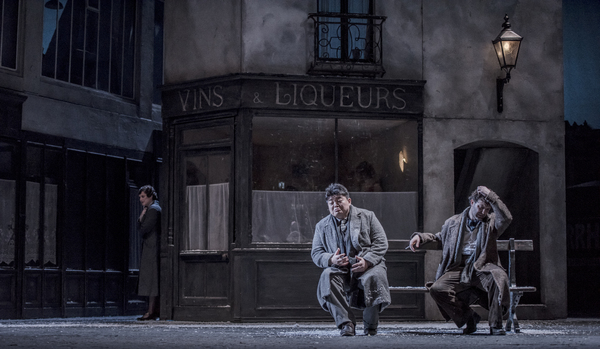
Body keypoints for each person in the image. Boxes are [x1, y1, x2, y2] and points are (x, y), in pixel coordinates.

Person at [409, 186, 512, 335]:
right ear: (472, 203)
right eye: (480, 207)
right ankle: (468, 318)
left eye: (486, 209)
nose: (483, 212)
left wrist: (492, 196)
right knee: (437, 289)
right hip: (458, 266)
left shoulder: (491, 222)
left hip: (482, 265)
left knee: (498, 277)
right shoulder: (453, 222)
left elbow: (507, 218)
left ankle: (496, 325)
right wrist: (420, 237)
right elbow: (439, 237)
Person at [311, 183, 391, 336]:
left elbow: (381, 242)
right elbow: (316, 253)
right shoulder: (322, 226)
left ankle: (370, 326)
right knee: (327, 276)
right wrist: (331, 259)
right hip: (340, 268)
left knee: (374, 277)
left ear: (349, 200)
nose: (335, 205)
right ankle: (346, 324)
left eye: (339, 200)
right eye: (331, 202)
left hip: (368, 265)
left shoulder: (368, 216)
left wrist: (367, 261)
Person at [137, 185, 161, 321]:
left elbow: (143, 230)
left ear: (150, 196)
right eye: (140, 197)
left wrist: (141, 218)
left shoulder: (152, 210)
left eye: (143, 197)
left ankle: (151, 311)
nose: (141, 199)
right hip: (150, 248)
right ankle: (152, 310)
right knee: (152, 281)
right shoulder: (151, 209)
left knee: (152, 282)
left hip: (152, 249)